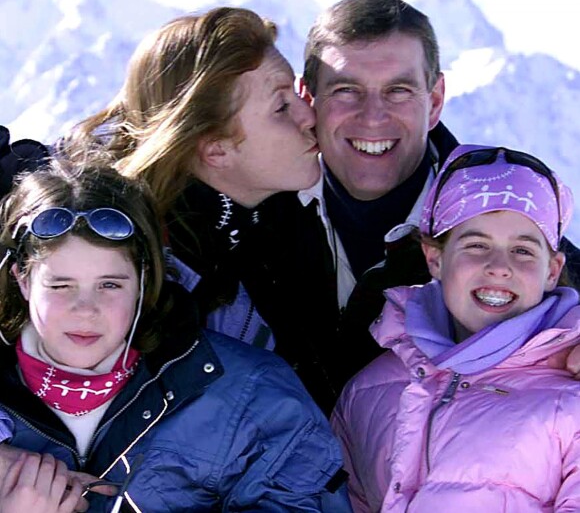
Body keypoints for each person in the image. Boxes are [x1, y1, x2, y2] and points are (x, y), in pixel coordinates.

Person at [266, 0, 580, 404]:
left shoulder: (512, 234)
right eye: (346, 90)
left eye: (397, 90)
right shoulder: (258, 217)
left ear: (434, 102)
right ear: (309, 99)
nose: (373, 116)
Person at [0, 158, 351, 512]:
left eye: (110, 284)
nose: (85, 309)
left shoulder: (254, 397)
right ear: (23, 280)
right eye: (60, 285)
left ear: (143, 281)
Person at [58, 6, 341, 409]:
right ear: (215, 148)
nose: (309, 115)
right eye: (281, 107)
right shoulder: (137, 281)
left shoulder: (282, 227)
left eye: (296, 95)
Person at [332, 144, 580, 511]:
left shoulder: (571, 394)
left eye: (523, 250)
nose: (499, 266)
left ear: (552, 270)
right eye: (477, 245)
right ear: (435, 258)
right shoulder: (366, 392)